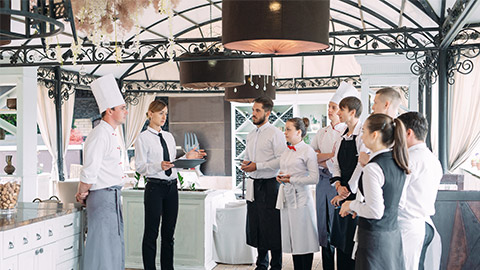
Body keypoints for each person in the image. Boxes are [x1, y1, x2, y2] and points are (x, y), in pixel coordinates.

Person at [135, 100, 206, 270]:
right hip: (154, 188)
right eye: (160, 113)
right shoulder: (142, 138)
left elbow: (172, 163)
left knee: (169, 234)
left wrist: (187, 158)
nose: (164, 117)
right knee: (151, 233)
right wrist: (158, 166)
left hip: (171, 188)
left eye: (166, 113)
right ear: (150, 114)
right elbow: (140, 167)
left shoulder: (169, 137)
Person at [340, 113, 410, 270]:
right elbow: (401, 203)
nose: (361, 136)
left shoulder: (373, 168)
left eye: (364, 131)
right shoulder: (399, 162)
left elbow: (375, 211)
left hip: (374, 239)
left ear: (375, 135)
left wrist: (351, 204)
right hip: (392, 235)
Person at [75, 74, 129, 270]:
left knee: (113, 244)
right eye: (122, 108)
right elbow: (90, 170)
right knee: (103, 246)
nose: (126, 111)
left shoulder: (111, 133)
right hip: (102, 196)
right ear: (109, 110)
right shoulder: (100, 134)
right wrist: (82, 191)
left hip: (111, 196)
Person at [310, 81, 357, 270]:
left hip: (339, 184)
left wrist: (326, 156)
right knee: (324, 226)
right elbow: (311, 156)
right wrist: (326, 157)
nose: (331, 111)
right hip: (323, 181)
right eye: (329, 107)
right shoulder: (322, 132)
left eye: (334, 107)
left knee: (339, 225)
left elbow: (336, 161)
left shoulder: (346, 133)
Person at [242, 96, 286, 270]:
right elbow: (248, 157)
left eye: (257, 110)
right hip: (253, 185)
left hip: (270, 186)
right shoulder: (250, 134)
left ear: (267, 113)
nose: (253, 113)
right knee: (257, 225)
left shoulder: (275, 133)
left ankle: (276, 265)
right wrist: (245, 165)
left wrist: (257, 166)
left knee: (273, 227)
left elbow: (282, 160)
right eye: (253, 110)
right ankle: (261, 264)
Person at [397, 112, 442, 270]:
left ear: (408, 133)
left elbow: (398, 199)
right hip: (426, 225)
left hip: (407, 226)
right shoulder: (433, 159)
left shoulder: (408, 159)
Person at [276, 117, 319, 270]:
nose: (285, 132)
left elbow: (314, 178)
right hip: (287, 198)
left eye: (288, 129)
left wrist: (292, 179)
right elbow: (286, 170)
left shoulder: (308, 151)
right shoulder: (286, 150)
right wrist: (281, 175)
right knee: (294, 238)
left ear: (299, 132)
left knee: (304, 239)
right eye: (285, 128)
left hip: (301, 199)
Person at [329, 96, 367, 270]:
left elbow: (361, 165)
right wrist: (338, 185)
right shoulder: (341, 136)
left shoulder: (362, 135)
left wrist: (348, 189)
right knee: (340, 240)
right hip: (341, 192)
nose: (337, 113)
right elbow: (335, 163)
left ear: (352, 112)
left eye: (341, 110)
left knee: (352, 241)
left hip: (356, 193)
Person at [359, 87, 403, 167]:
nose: (373, 107)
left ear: (386, 104)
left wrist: (369, 160)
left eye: (375, 103)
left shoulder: (399, 130)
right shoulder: (377, 126)